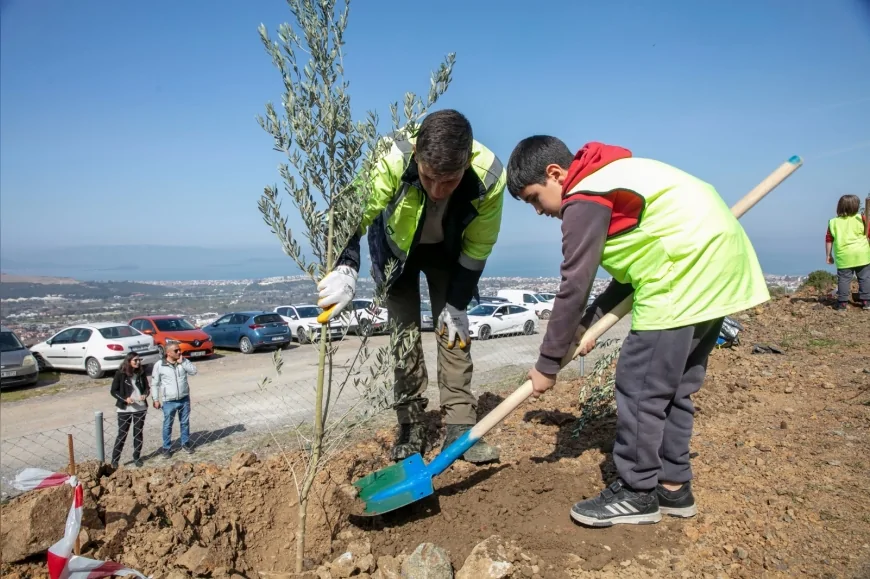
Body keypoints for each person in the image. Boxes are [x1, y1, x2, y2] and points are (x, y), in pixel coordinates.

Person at [506, 137, 769, 527]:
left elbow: (574, 284)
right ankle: (672, 487)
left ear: (555, 174)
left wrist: (547, 364)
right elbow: (629, 276)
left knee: (640, 385)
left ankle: (636, 492)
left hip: (682, 274)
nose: (537, 210)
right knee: (674, 387)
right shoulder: (614, 176)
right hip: (716, 268)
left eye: (532, 198)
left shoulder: (584, 196)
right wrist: (585, 329)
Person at [317, 109, 505, 463]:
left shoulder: (490, 175)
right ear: (417, 154)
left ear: (465, 164)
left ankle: (460, 428)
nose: (437, 191)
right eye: (429, 177)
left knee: (454, 335)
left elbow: (479, 246)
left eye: (448, 181)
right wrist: (346, 265)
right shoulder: (393, 155)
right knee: (404, 335)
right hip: (395, 251)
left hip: (448, 252)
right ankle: (410, 425)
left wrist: (458, 303)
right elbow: (350, 214)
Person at [150, 344, 198, 457]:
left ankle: (185, 443)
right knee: (167, 424)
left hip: (184, 398)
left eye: (180, 350)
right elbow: (155, 383)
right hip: (169, 401)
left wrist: (184, 363)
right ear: (168, 353)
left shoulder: (183, 362)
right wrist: (155, 399)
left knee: (185, 422)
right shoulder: (159, 365)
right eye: (176, 350)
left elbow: (193, 371)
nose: (179, 352)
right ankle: (166, 447)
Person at [825, 194, 870, 310]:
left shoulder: (833, 222)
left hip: (844, 256)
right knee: (865, 278)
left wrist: (828, 255)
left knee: (844, 280)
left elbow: (829, 240)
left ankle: (842, 303)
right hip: (862, 254)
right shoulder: (862, 219)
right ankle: (866, 301)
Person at [109, 352, 149, 468]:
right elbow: (113, 391)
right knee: (122, 434)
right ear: (129, 361)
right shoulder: (120, 374)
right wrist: (125, 399)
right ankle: (115, 460)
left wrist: (144, 395)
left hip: (140, 407)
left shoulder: (141, 373)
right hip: (125, 408)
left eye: (139, 360)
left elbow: (146, 388)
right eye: (135, 360)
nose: (138, 362)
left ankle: (136, 457)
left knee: (138, 434)